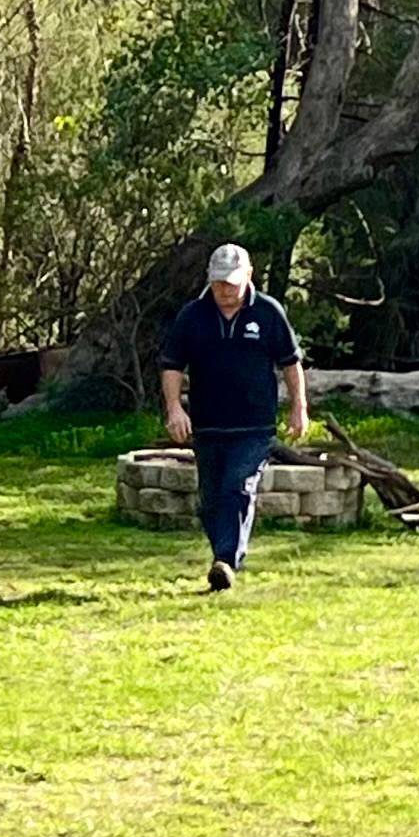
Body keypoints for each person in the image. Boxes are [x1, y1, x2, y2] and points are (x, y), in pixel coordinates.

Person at [159, 242, 307, 594]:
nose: (225, 290)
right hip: (208, 425)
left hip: (254, 426)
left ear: (249, 276)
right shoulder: (193, 316)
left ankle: (226, 561)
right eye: (219, 283)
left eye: (232, 282)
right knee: (210, 500)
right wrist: (175, 408)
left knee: (239, 488)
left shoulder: (268, 313)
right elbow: (172, 365)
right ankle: (221, 558)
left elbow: (290, 363)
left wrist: (299, 406)